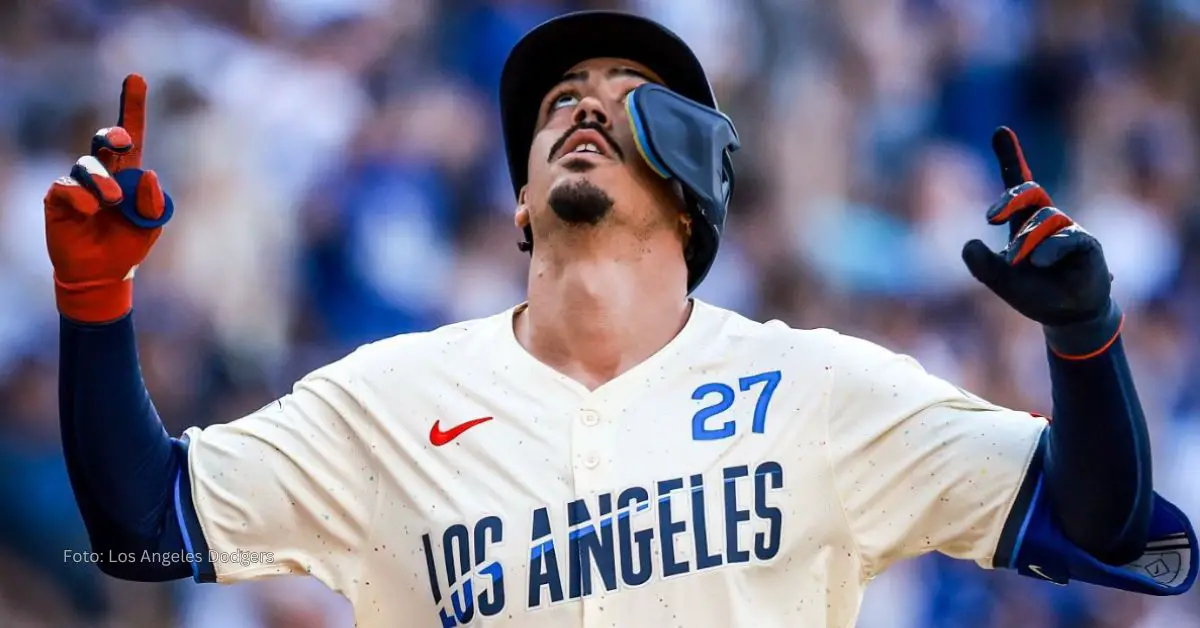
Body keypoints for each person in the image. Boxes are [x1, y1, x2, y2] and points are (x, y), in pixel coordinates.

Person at [45, 10, 1195, 628]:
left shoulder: (824, 389)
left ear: (695, 191)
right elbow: (142, 525)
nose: (580, 108)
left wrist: (1085, 339)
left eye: (621, 100)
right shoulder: (383, 397)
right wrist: (96, 302)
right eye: (558, 104)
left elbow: (1108, 530)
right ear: (519, 199)